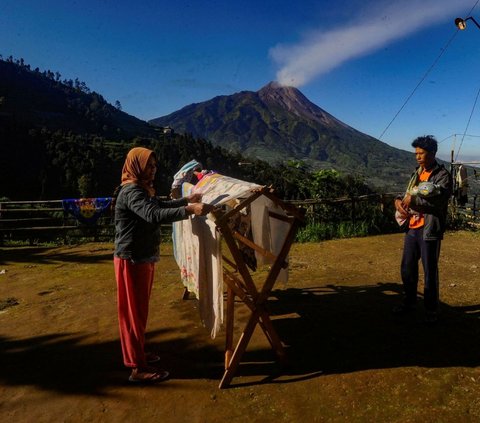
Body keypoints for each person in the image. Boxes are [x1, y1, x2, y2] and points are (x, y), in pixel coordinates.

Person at [113, 147, 214, 383]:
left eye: (155, 165)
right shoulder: (131, 192)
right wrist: (189, 209)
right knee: (133, 314)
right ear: (136, 166)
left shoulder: (141, 190)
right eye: (149, 165)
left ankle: (138, 353)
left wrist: (184, 200)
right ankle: (137, 369)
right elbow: (153, 214)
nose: (153, 169)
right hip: (132, 260)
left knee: (139, 312)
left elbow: (157, 205)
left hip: (141, 258)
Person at [393, 135, 452, 323]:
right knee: (407, 268)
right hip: (412, 227)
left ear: (432, 153)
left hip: (429, 230)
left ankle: (431, 310)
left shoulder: (442, 176)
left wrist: (414, 200)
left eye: (421, 153)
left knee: (430, 271)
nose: (418, 157)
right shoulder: (416, 173)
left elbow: (439, 201)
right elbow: (407, 194)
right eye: (416, 153)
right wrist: (398, 201)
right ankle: (409, 302)